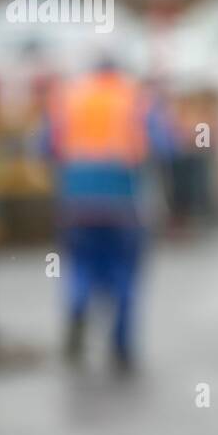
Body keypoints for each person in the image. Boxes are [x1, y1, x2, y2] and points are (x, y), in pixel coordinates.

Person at [40, 56, 175, 372]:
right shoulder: (137, 98)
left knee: (81, 268)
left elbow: (44, 146)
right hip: (123, 205)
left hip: (76, 205)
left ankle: (77, 308)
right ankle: (121, 347)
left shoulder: (70, 96)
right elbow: (166, 145)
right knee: (124, 276)